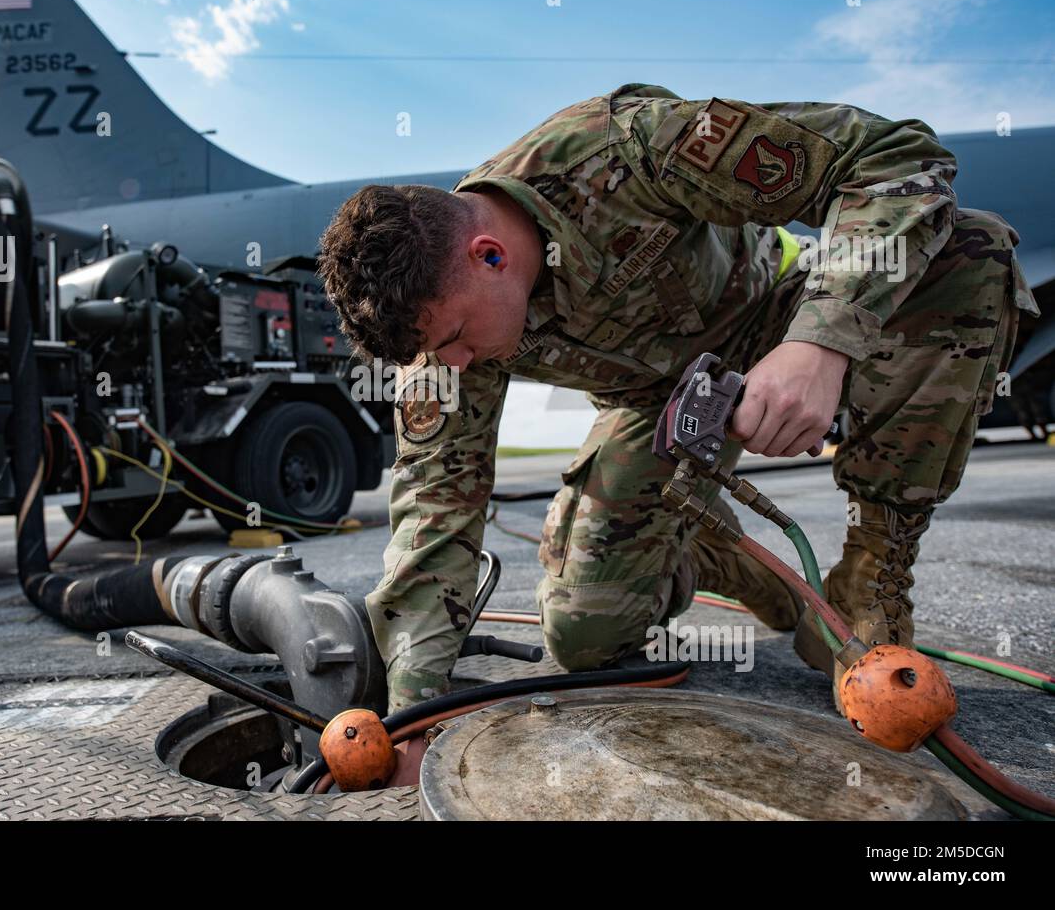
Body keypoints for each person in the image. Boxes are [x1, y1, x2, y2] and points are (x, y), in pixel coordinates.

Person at [316, 84, 1039, 712]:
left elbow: (897, 159)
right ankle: (711, 547)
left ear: (489, 255)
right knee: (586, 637)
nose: (451, 364)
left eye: (456, 338)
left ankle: (869, 574)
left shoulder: (624, 147)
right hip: (656, 409)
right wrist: (414, 709)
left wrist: (820, 341)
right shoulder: (438, 334)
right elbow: (434, 514)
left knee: (970, 253)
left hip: (774, 314)